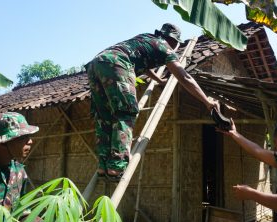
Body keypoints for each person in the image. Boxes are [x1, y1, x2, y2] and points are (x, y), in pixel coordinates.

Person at [86, 23, 218, 178]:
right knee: (125, 112)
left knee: (104, 117)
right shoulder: (164, 47)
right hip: (117, 63)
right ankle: (117, 165)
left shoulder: (147, 39)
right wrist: (207, 102)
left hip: (96, 64)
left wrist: (158, 79)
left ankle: (103, 166)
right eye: (177, 44)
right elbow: (185, 77)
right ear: (174, 41)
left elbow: (143, 64)